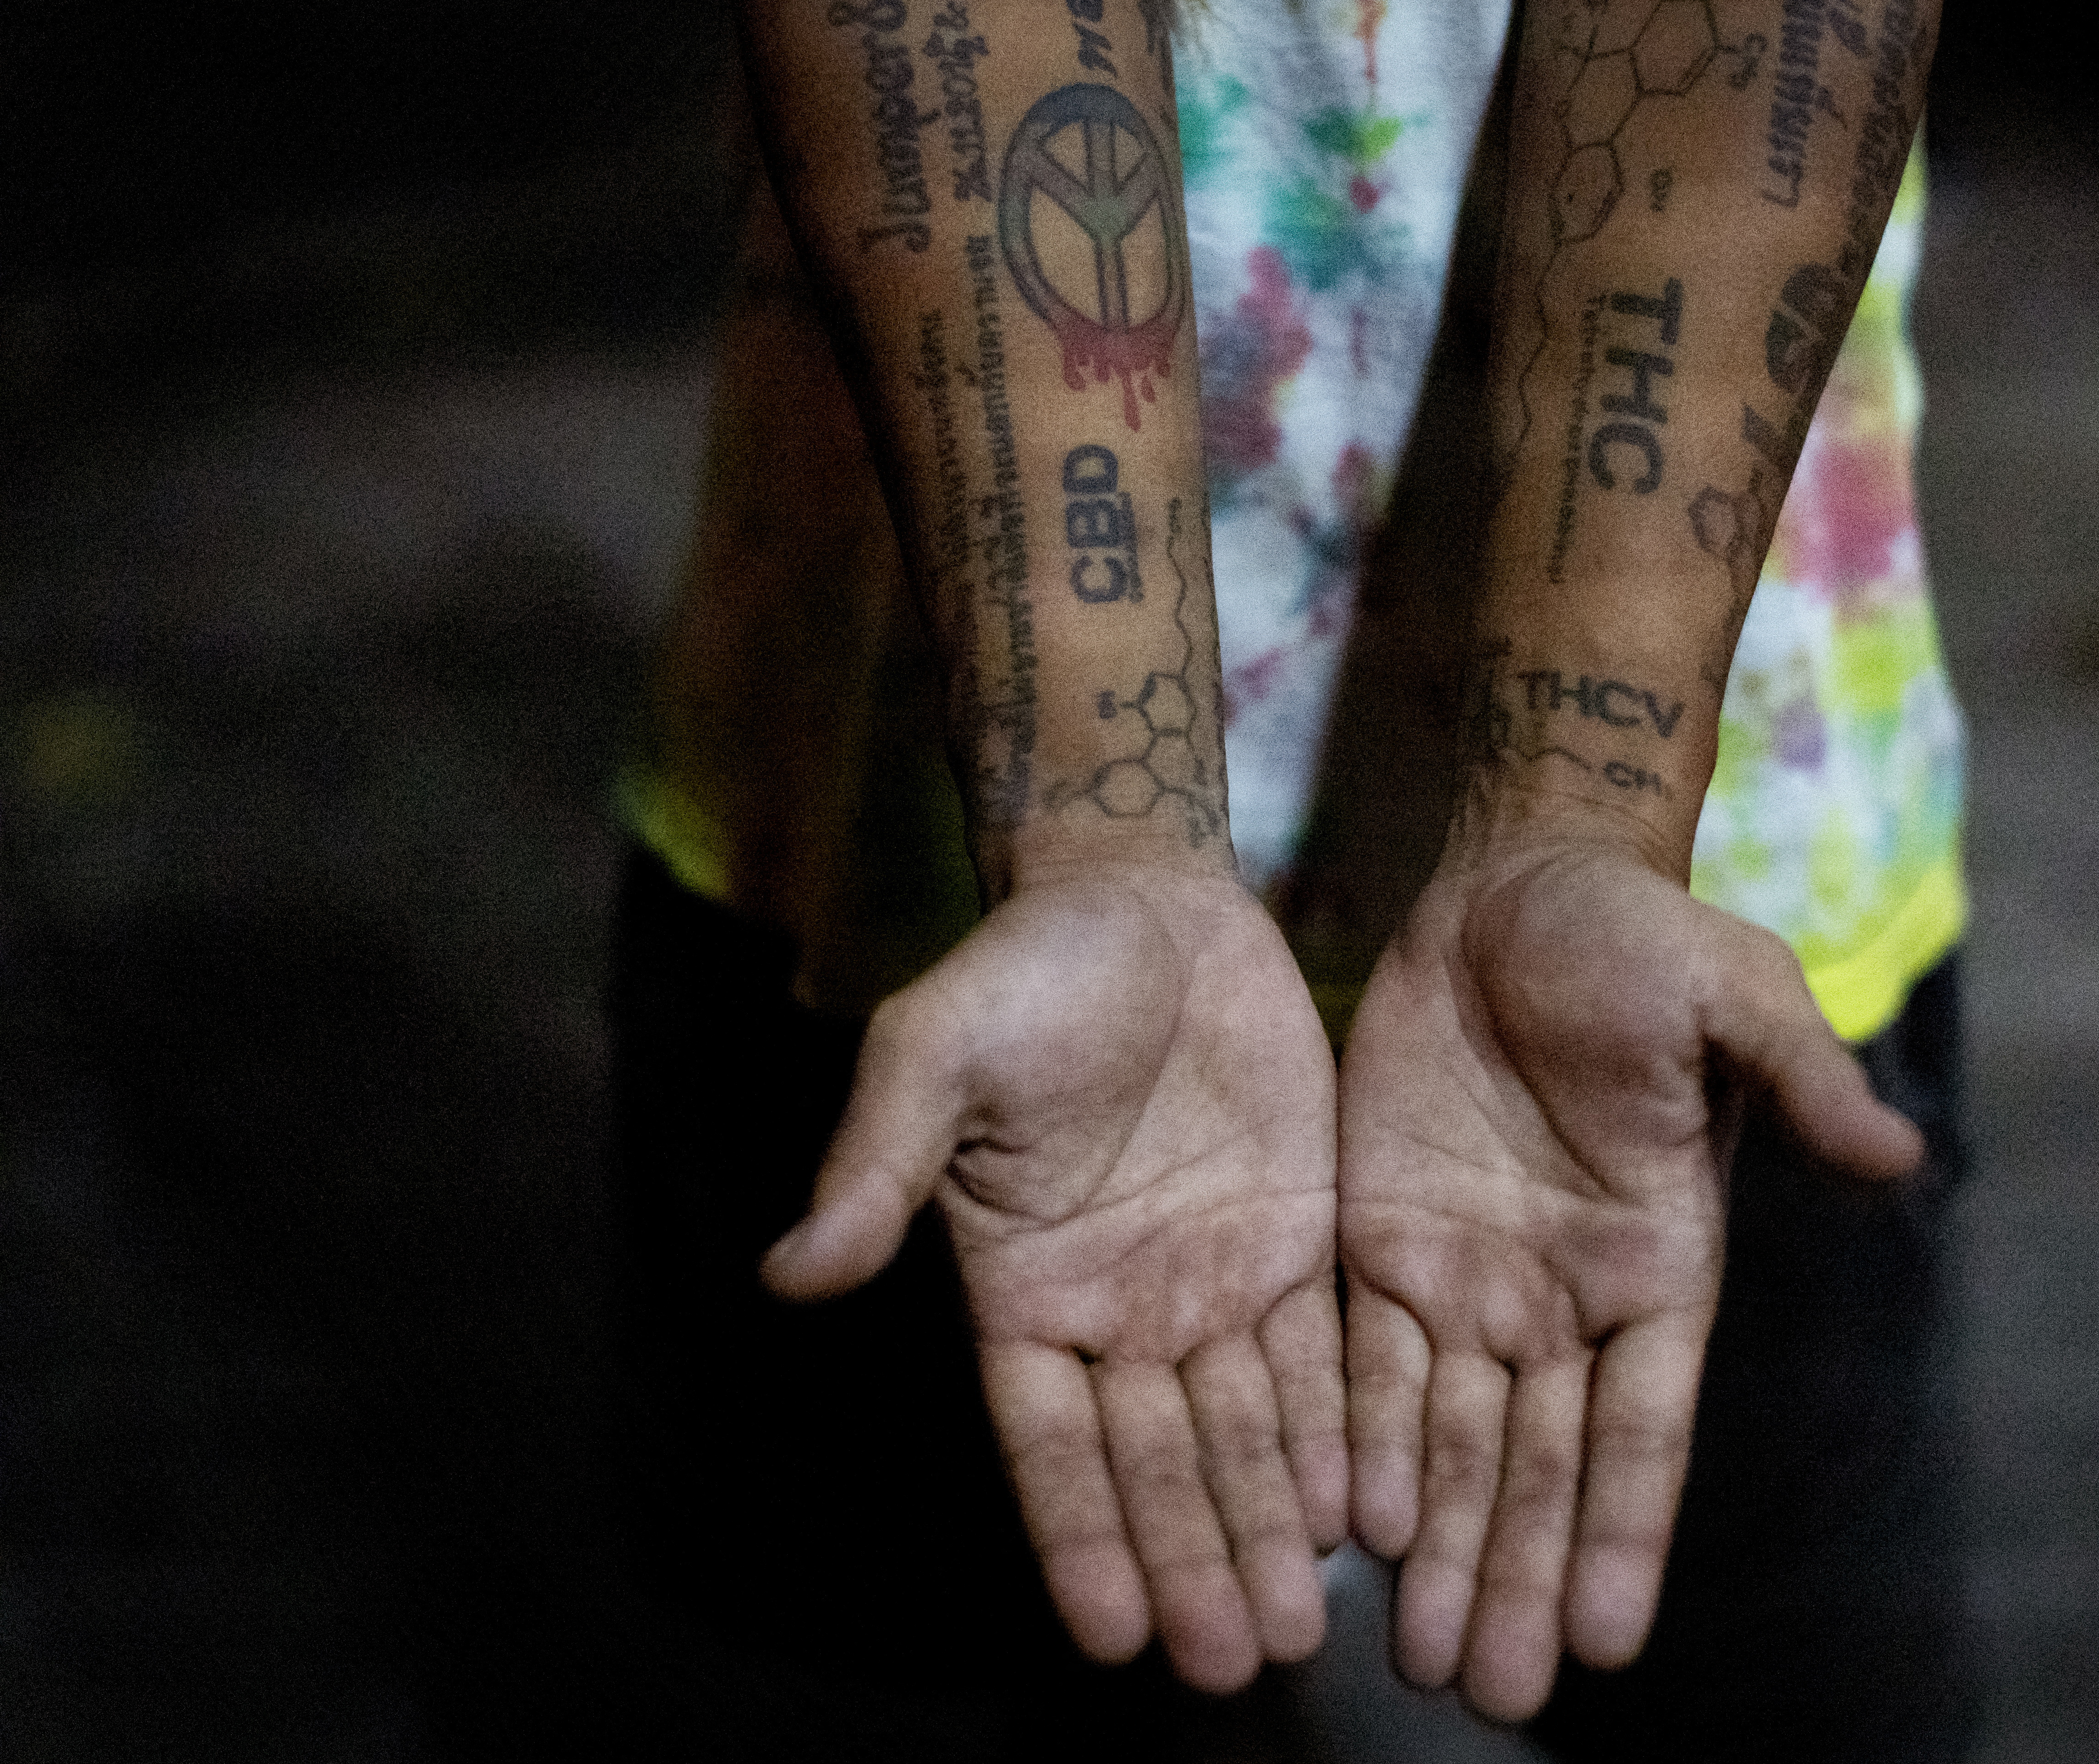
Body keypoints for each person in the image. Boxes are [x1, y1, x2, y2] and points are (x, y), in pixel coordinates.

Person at [612, 0, 1971, 1755]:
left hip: (1687, 912)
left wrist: (1585, 809)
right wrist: (1097, 827)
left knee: (1773, 1691)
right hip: (938, 839)